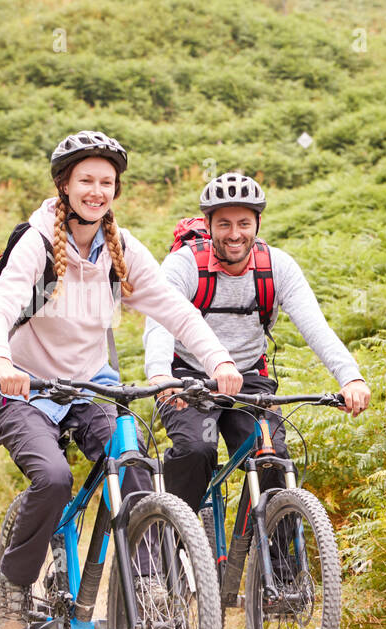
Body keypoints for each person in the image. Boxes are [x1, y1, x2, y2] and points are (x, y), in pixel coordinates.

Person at [0, 131, 244, 629]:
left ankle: (147, 583)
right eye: (86, 181)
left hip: (90, 388)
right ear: (64, 185)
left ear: (115, 190)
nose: (96, 190)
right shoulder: (36, 242)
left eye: (106, 182)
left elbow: (175, 311)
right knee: (53, 478)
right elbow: (0, 306)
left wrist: (219, 360)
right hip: (26, 388)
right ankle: (12, 585)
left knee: (136, 462)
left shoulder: (120, 248)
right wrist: (0, 358)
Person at [144, 172, 369, 516]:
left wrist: (350, 377)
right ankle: (173, 539)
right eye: (224, 224)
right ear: (208, 225)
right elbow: (161, 320)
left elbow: (315, 326)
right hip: (188, 377)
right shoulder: (184, 264)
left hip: (249, 378)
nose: (235, 234)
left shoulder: (276, 266)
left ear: (258, 223)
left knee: (272, 459)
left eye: (244, 223)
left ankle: (274, 564)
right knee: (197, 450)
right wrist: (160, 375)